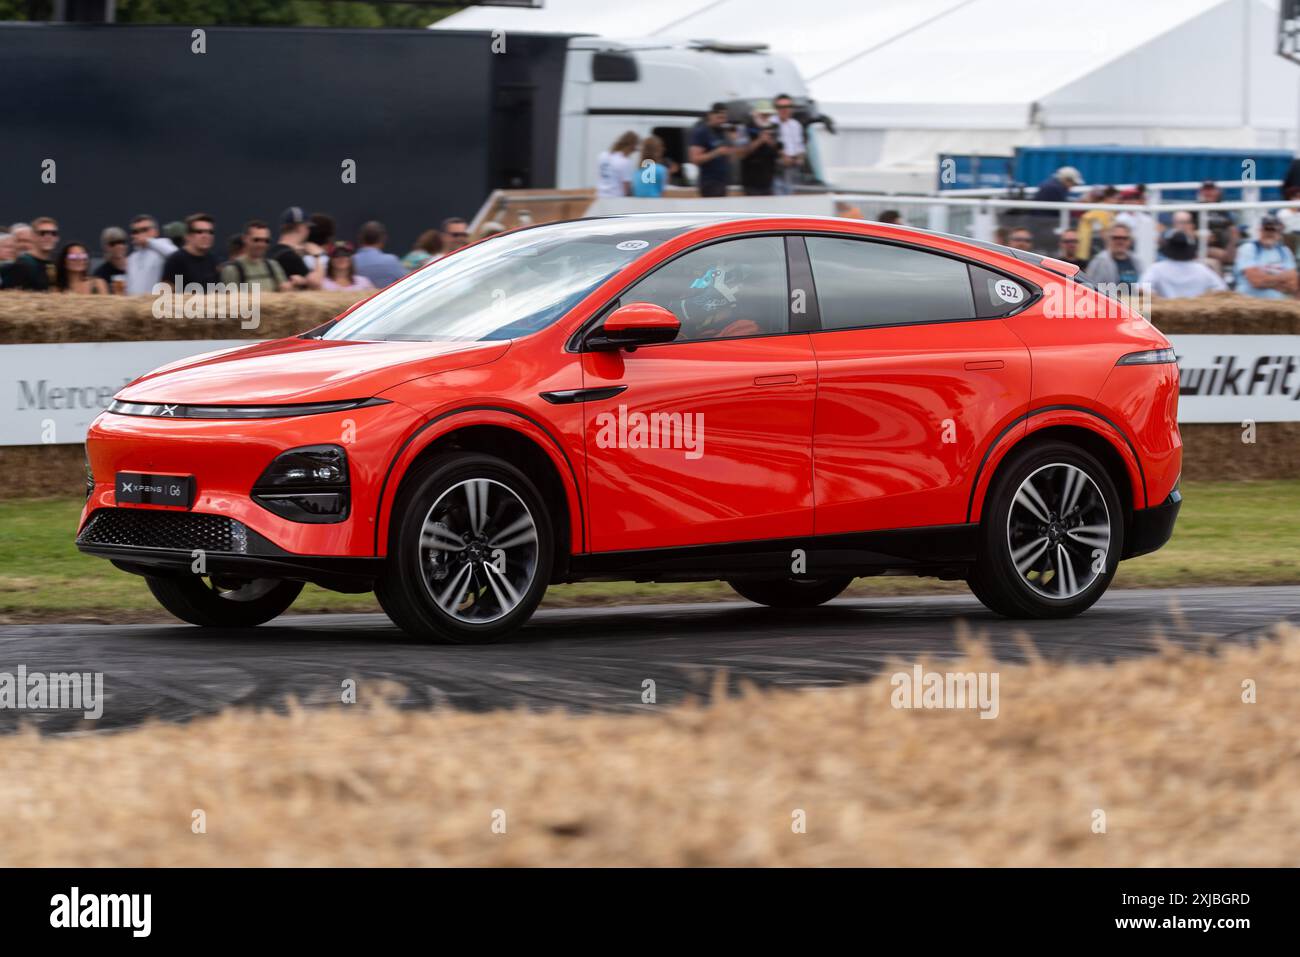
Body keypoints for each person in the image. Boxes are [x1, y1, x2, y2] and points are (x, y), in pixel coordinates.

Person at [1140, 229, 1227, 298]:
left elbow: (1142, 288)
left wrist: (1159, 299)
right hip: (1195, 313)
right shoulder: (1201, 269)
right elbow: (1221, 289)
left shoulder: (1157, 268)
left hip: (1167, 313)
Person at [1233, 215, 1297, 299]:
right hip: (1250, 301)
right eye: (1266, 229)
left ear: (1280, 233)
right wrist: (1282, 278)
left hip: (1278, 303)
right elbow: (1256, 281)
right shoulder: (1248, 248)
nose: (1269, 233)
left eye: (1273, 230)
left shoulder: (1285, 251)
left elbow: (1292, 285)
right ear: (1260, 231)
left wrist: (1265, 280)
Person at [220, 220, 289, 292]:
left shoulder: (274, 265)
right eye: (256, 240)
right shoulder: (231, 270)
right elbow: (229, 300)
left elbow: (284, 294)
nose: (261, 244)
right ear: (245, 239)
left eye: (266, 241)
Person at [689, 102, 738, 198]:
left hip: (723, 181)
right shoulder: (702, 132)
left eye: (724, 118)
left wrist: (733, 143)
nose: (722, 121)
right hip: (709, 182)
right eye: (719, 117)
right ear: (710, 115)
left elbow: (731, 157)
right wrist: (716, 152)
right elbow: (694, 159)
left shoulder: (723, 132)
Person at [161, 212, 222, 289]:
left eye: (210, 232)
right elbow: (165, 293)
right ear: (188, 236)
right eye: (199, 232)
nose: (206, 236)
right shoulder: (176, 260)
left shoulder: (214, 260)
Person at [738, 102, 781, 196]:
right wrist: (760, 140)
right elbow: (740, 153)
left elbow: (780, 152)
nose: (766, 117)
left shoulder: (775, 128)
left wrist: (771, 142)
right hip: (751, 182)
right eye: (763, 114)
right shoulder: (745, 127)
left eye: (768, 115)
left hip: (770, 181)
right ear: (756, 114)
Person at [125, 215, 176, 294]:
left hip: (155, 302)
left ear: (156, 232)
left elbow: (177, 255)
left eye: (144, 230)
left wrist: (148, 241)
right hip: (136, 303)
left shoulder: (163, 244)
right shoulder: (131, 258)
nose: (140, 234)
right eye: (135, 231)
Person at [5, 216, 60, 290]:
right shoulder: (22, 265)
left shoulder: (55, 265)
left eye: (53, 233)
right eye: (42, 233)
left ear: (57, 238)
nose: (48, 237)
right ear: (32, 236)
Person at [267, 206, 315, 289]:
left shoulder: (270, 252)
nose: (308, 231)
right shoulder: (292, 257)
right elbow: (316, 284)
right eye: (308, 227)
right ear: (300, 227)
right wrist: (318, 256)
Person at [1197, 180, 1238, 271]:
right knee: (1218, 259)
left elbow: (1232, 228)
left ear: (1217, 191)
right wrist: (1198, 234)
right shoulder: (1194, 209)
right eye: (1206, 190)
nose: (1209, 193)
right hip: (1202, 246)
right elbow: (1188, 229)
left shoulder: (1225, 210)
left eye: (1211, 190)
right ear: (1201, 192)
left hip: (1224, 245)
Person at [352, 220, 406, 288]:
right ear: (383, 239)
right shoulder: (391, 261)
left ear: (360, 238)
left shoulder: (350, 261)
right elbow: (406, 284)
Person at [772, 93, 805, 195]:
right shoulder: (771, 122)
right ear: (776, 108)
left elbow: (799, 145)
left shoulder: (796, 124)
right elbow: (773, 144)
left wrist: (800, 158)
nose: (784, 109)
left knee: (794, 195)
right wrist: (783, 156)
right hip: (778, 167)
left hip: (794, 167)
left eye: (787, 107)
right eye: (780, 107)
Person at [1076, 185, 1118, 261]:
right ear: (1108, 198)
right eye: (1116, 198)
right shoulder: (1100, 210)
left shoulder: (1110, 210)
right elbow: (1101, 231)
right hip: (1092, 243)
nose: (1118, 201)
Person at [596, 132, 638, 198]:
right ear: (632, 146)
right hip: (616, 198)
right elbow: (626, 188)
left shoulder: (602, 155)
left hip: (601, 195)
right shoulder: (625, 161)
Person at [94, 226, 129, 293]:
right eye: (112, 244)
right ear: (106, 247)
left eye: (121, 242)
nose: (118, 246)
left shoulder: (135, 267)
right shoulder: (101, 273)